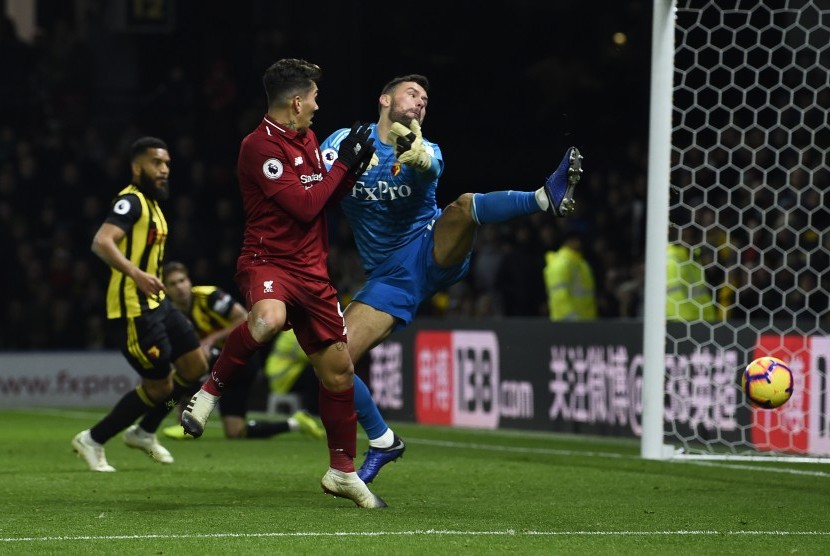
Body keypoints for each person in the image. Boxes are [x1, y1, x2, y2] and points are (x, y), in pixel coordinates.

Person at [318, 74, 583, 482]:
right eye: (412, 93)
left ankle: (544, 197)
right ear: (384, 99)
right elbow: (313, 189)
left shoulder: (428, 148)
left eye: (425, 99)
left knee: (461, 207)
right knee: (333, 361)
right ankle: (383, 440)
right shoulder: (341, 143)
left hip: (430, 249)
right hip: (389, 278)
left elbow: (430, 169)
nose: (421, 101)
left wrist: (420, 159)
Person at [179, 58, 386, 508]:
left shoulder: (307, 138)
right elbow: (305, 205)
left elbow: (327, 193)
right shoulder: (256, 147)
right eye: (312, 96)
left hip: (313, 272)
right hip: (269, 262)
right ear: (296, 102)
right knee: (269, 319)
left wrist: (352, 166)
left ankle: (342, 470)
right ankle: (209, 391)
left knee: (338, 373)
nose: (317, 104)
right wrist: (340, 167)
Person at [71, 137, 209, 472]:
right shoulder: (129, 202)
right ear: (137, 167)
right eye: (156, 163)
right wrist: (136, 273)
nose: (164, 170)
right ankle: (93, 439)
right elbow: (101, 242)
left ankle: (145, 430)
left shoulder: (155, 206)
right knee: (160, 387)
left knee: (195, 367)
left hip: (158, 304)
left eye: (167, 164)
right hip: (133, 309)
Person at [151, 260, 324, 441]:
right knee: (235, 432)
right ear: (166, 290)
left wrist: (211, 340)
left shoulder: (209, 296)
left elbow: (243, 318)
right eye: (173, 284)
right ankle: (296, 423)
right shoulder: (172, 313)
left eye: (182, 280)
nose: (180, 287)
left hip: (243, 359)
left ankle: (181, 423)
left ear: (189, 281)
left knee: (195, 361)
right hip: (222, 367)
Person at [544, 229, 598, 320]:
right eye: (576, 240)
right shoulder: (560, 264)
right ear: (568, 241)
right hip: (567, 324)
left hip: (585, 323)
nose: (579, 243)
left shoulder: (582, 264)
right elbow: (560, 297)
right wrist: (573, 320)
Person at [666, 226, 717, 321]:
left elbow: (701, 295)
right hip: (682, 325)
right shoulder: (671, 260)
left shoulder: (693, 258)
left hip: (701, 324)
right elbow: (674, 300)